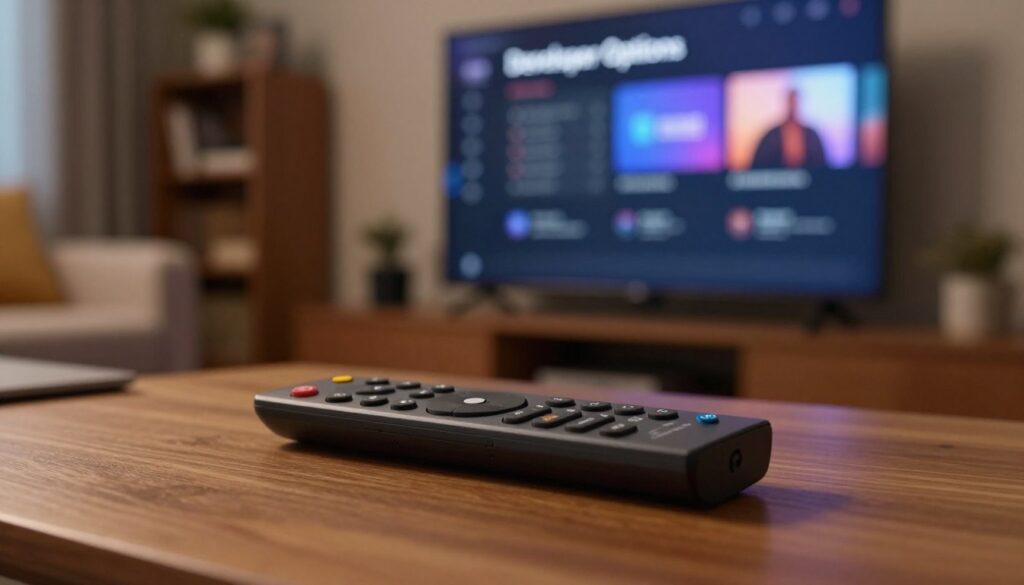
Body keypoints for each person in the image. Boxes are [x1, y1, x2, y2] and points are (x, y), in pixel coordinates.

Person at [750, 89, 827, 168]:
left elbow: (821, 166)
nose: (792, 106)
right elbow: (759, 166)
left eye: (795, 102)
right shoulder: (772, 136)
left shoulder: (811, 136)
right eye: (790, 102)